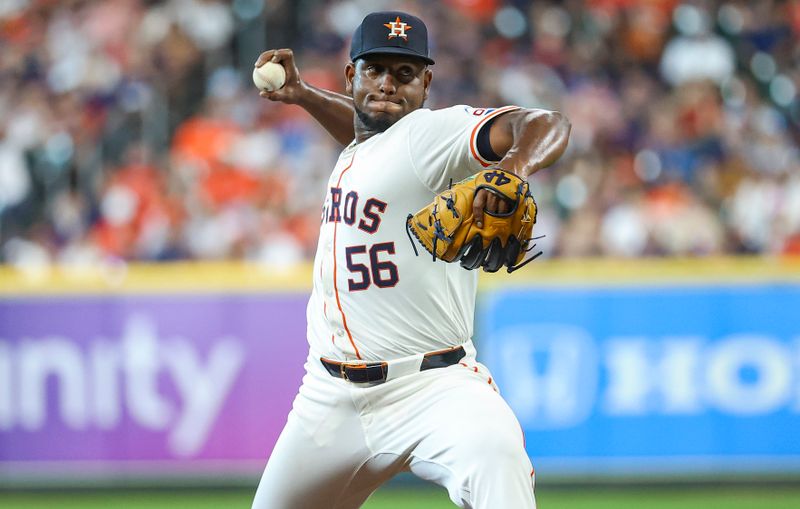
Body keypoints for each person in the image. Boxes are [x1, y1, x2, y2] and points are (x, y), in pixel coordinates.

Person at [251, 11, 570, 509]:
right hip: (328, 399)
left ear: (426, 82)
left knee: (496, 458)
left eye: (403, 74)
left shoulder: (432, 136)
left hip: (434, 389)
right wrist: (304, 93)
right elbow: (369, 136)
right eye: (374, 70)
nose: (387, 85)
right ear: (351, 75)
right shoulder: (369, 146)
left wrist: (513, 169)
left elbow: (543, 122)